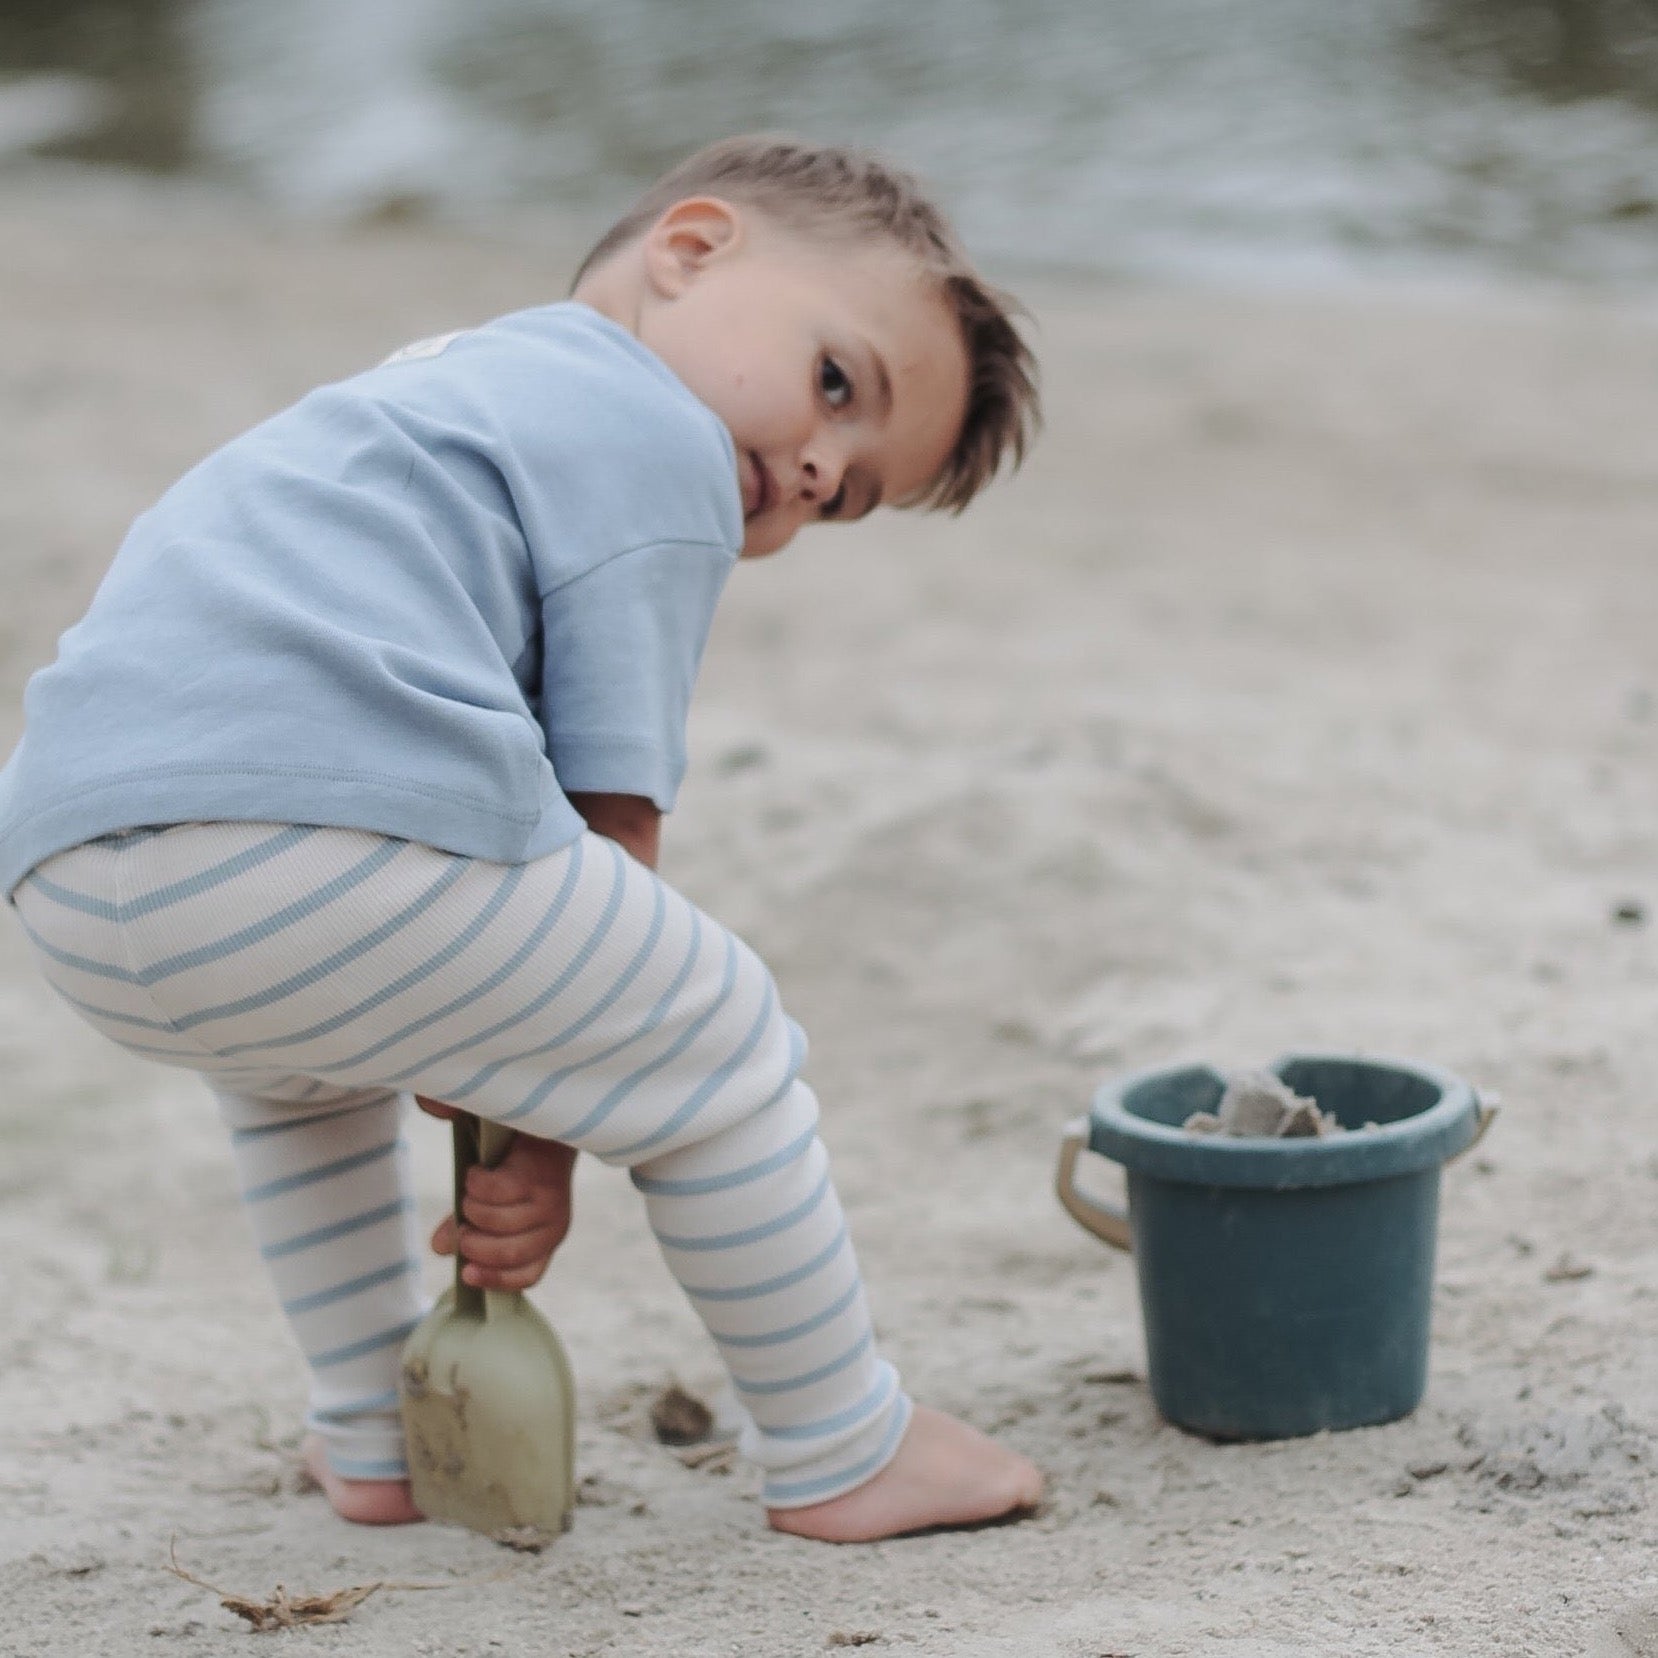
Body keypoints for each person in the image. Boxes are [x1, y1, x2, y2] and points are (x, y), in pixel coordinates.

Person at [0, 134, 1043, 1543]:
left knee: (300, 1083)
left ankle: (375, 1432)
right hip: (312, 827)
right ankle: (842, 1443)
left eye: (842, 492)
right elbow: (610, 826)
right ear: (690, 250)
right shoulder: (654, 430)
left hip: (77, 863)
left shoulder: (439, 384)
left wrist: (528, 1054)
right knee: (716, 1032)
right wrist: (555, 1121)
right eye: (836, 384)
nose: (809, 464)